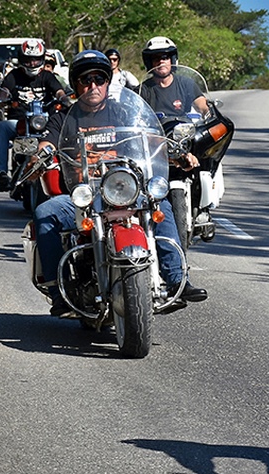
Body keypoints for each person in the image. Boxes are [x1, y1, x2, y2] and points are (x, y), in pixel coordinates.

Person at [32, 50, 207, 318]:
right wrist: (41, 153)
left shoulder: (124, 110)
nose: (92, 86)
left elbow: (150, 137)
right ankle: (60, 292)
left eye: (98, 79)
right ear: (76, 84)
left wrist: (176, 154)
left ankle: (176, 281)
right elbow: (48, 141)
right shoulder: (65, 117)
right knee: (45, 213)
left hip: (127, 191)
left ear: (107, 82)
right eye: (85, 80)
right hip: (85, 196)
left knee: (161, 202)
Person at [0, 39, 69, 193]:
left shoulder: (47, 76)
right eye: (28, 59)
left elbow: (58, 91)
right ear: (21, 59)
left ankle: (68, 175)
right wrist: (2, 98)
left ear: (42, 59)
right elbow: (5, 89)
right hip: (19, 123)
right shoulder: (14, 75)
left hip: (46, 123)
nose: (32, 63)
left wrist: (64, 99)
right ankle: (1, 173)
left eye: (36, 59)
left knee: (65, 133)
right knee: (2, 127)